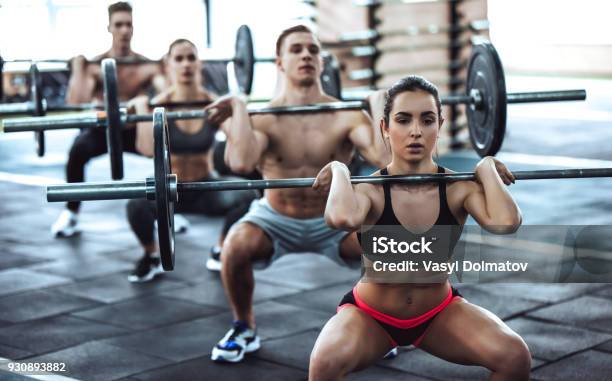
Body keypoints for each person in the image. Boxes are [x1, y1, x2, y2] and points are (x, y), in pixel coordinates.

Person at [308, 75, 531, 381]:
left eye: (427, 120)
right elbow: (340, 218)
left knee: (515, 356)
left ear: (440, 125)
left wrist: (486, 168)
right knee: (324, 364)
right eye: (403, 120)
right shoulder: (370, 189)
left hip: (437, 313)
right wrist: (340, 169)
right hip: (371, 316)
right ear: (385, 128)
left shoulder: (456, 189)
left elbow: (506, 223)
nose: (415, 131)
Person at [203, 25, 390, 363]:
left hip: (332, 219)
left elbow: (384, 159)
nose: (306, 55)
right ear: (279, 62)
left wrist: (378, 106)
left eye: (313, 50)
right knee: (235, 246)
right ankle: (243, 327)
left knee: (387, 247)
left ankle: (379, 323)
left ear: (322, 62)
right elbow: (242, 162)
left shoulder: (345, 113)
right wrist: (241, 108)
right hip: (275, 217)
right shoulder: (265, 118)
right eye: (296, 49)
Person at [125, 39, 257, 282]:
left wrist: (238, 110)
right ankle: (151, 255)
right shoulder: (157, 105)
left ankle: (220, 249)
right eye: (179, 58)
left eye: (191, 58)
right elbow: (146, 149)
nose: (186, 64)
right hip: (168, 190)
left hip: (204, 186)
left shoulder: (213, 104)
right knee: (135, 204)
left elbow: (239, 144)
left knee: (248, 194)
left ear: (200, 63)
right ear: (168, 65)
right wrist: (144, 112)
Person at [51, 1, 165, 237]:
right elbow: (76, 102)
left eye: (129, 25)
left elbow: (168, 95)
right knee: (77, 152)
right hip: (102, 130)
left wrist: (169, 68)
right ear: (109, 28)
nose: (124, 30)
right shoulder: (94, 66)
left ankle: (170, 207)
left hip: (133, 130)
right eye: (119, 25)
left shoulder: (146, 66)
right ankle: (71, 213)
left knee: (166, 151)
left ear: (134, 28)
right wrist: (79, 70)